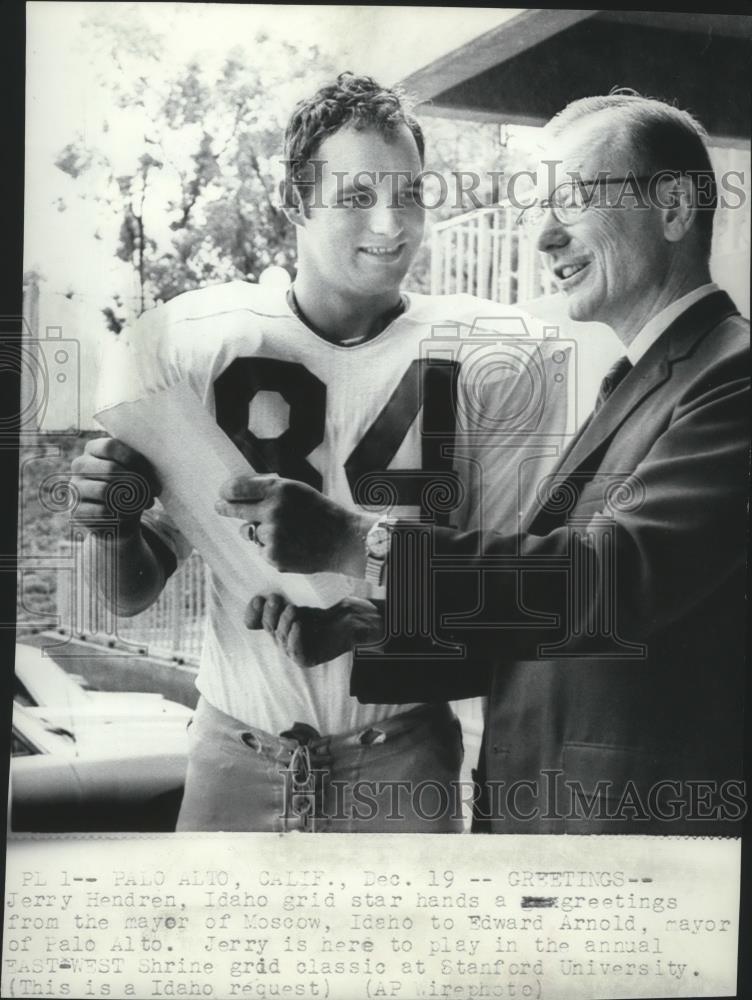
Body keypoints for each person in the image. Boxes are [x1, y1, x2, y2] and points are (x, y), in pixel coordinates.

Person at [228, 92, 749, 835]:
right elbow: (553, 624)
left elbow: (611, 580)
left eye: (571, 200)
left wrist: (360, 542)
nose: (543, 237)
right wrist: (363, 630)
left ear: (672, 207)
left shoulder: (734, 376)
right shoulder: (639, 381)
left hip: (631, 844)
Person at [69, 73, 565, 832]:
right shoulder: (210, 346)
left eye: (409, 194)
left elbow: (501, 600)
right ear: (297, 203)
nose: (392, 223)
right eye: (358, 196)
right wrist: (113, 526)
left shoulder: (482, 353)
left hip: (402, 757)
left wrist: (373, 622)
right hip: (236, 750)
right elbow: (130, 593)